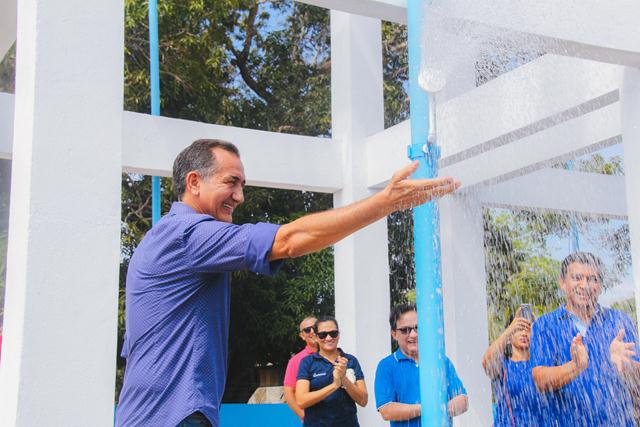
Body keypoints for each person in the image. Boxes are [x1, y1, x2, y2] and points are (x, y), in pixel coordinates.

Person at [115, 139, 459, 427]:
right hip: (171, 417)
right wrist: (386, 203)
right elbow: (290, 240)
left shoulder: (166, 240)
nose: (239, 196)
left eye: (242, 185)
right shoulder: (187, 234)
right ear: (193, 183)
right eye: (230, 182)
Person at [530, 252, 640, 426]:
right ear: (562, 283)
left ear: (601, 285)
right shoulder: (545, 326)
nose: (585, 285)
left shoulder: (619, 321)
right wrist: (575, 366)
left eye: (593, 279)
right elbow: (540, 380)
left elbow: (638, 376)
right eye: (577, 278)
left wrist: (626, 365)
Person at [374, 303, 468, 426]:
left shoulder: (440, 361)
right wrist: (428, 409)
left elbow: (463, 400)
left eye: (418, 328)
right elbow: (386, 410)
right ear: (394, 334)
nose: (413, 334)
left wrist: (444, 408)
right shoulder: (386, 366)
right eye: (405, 330)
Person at [295, 316, 368, 426]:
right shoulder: (307, 362)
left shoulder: (351, 361)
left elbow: (363, 400)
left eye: (333, 333)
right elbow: (301, 401)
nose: (328, 338)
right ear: (315, 337)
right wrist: (334, 385)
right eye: (323, 335)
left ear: (339, 334)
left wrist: (344, 379)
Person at [482, 308, 543, 426]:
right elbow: (487, 362)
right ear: (510, 335)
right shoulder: (503, 367)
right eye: (519, 329)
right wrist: (510, 329)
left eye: (528, 329)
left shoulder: (541, 367)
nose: (524, 333)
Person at [284, 316, 318, 421]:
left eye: (315, 327)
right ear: (302, 336)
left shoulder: (336, 355)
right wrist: (304, 416)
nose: (312, 331)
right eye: (307, 330)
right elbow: (289, 393)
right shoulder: (296, 361)